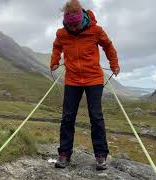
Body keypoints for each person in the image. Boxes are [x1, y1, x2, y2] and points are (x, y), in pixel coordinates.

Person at [50, 0, 120, 170]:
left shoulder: (95, 30)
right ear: (66, 22)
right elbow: (57, 46)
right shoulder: (62, 33)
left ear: (82, 19)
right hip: (72, 79)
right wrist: (54, 60)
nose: (73, 29)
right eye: (70, 25)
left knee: (96, 116)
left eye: (76, 25)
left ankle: (101, 156)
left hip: (94, 79)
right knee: (68, 117)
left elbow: (108, 46)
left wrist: (114, 64)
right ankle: (64, 155)